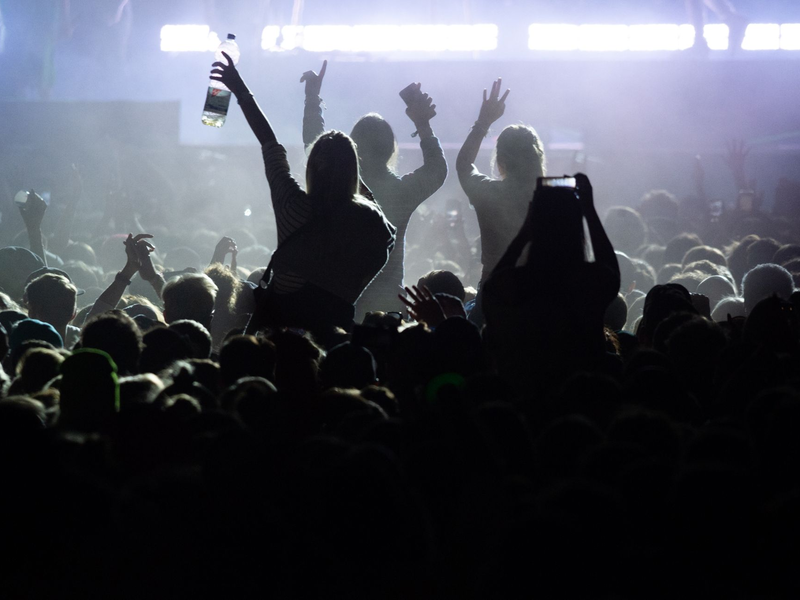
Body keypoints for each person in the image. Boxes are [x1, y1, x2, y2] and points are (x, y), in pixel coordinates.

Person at [210, 53, 395, 346]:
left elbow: (269, 142)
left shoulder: (292, 208)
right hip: (334, 343)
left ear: (311, 168)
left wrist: (240, 89)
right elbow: (375, 215)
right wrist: (344, 168)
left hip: (280, 341)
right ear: (353, 172)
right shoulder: (374, 226)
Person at [300, 61, 447, 320]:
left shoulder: (337, 183)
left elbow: (315, 143)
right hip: (387, 305)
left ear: (353, 147)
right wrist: (423, 124)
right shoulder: (402, 193)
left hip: (336, 302)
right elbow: (437, 171)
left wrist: (312, 98)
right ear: (391, 150)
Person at [482, 174, 620, 394]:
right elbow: (611, 273)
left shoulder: (515, 284)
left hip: (526, 407)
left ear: (534, 223)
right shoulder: (587, 283)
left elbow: (490, 290)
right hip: (584, 401)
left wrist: (523, 234)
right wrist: (588, 211)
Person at [456, 78, 546, 326]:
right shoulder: (551, 198)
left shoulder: (490, 193)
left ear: (501, 162)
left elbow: (463, 165)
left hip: (493, 293)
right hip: (540, 297)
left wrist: (483, 123)